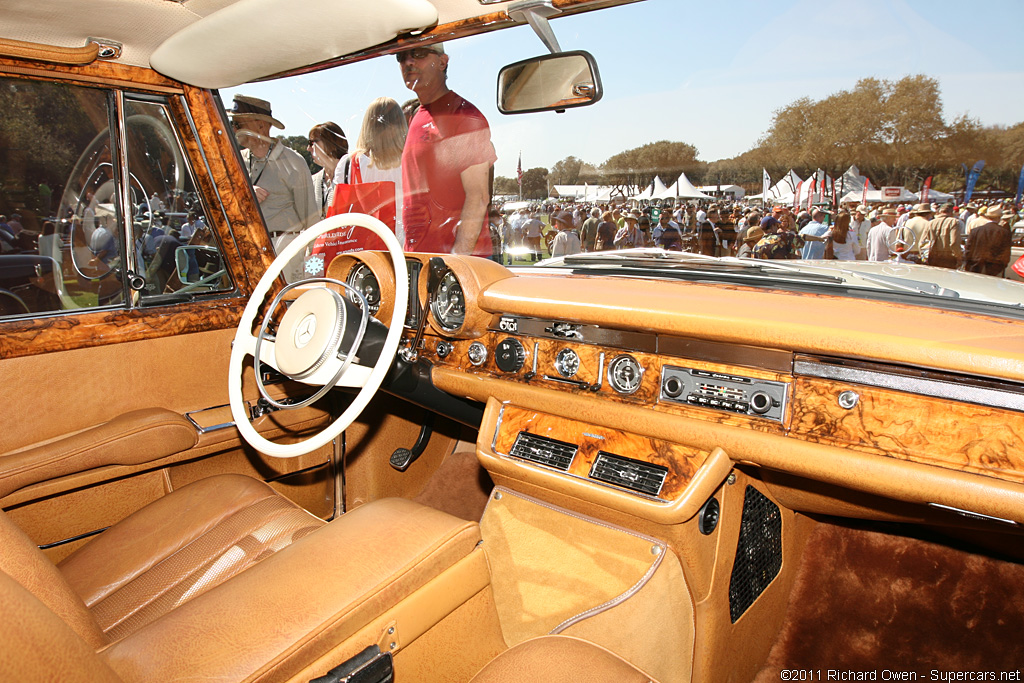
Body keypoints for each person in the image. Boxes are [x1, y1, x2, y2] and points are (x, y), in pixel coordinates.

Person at [398, 43, 496, 255]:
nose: (408, 62)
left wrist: (454, 264)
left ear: (442, 62)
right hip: (422, 260)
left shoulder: (464, 116)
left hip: (456, 267)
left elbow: (478, 198)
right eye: (401, 56)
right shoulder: (418, 116)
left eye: (418, 53)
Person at [229, 94, 318, 281]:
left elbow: (310, 220)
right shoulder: (236, 162)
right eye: (234, 123)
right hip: (249, 251)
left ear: (261, 125)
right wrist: (245, 192)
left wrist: (314, 270)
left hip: (285, 254)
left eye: (239, 123)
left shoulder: (294, 162)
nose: (234, 128)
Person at [335, 98, 407, 244]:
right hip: (403, 243)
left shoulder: (349, 163)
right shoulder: (411, 159)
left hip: (361, 246)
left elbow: (337, 210)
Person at [309, 121, 349, 220]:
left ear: (330, 143)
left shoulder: (351, 173)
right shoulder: (313, 181)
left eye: (312, 142)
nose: (308, 148)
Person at [963, 206, 1011, 276]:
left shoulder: (976, 231)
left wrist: (967, 264)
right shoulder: (1004, 232)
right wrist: (1002, 266)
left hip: (975, 266)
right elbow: (1006, 253)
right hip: (994, 268)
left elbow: (968, 249)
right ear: (999, 217)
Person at [919, 203, 962, 269]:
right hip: (948, 258)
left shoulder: (930, 223)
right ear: (951, 212)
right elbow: (954, 243)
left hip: (933, 257)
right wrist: (959, 256)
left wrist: (924, 257)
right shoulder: (954, 222)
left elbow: (921, 243)